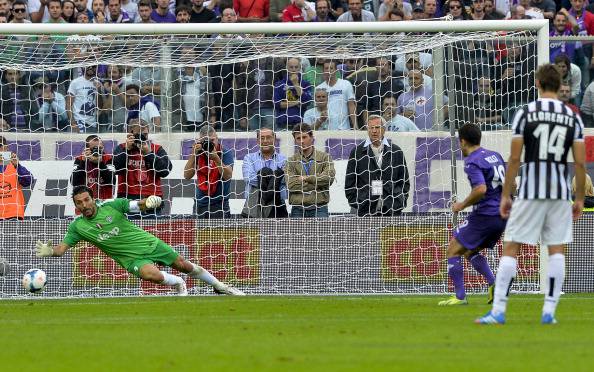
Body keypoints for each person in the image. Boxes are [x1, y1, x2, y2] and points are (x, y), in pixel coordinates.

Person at [476, 64, 586, 325]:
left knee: (511, 245)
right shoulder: (572, 117)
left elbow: (515, 158)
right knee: (556, 249)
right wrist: (579, 198)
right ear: (560, 85)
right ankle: (549, 311)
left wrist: (505, 195)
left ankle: (499, 311)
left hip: (530, 191)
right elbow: (580, 164)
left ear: (537, 83)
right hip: (559, 191)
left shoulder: (525, 113)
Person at [35, 185, 245, 296]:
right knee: (150, 275)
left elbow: (138, 205)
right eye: (79, 202)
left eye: (86, 199)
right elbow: (61, 250)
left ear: (92, 198)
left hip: (148, 243)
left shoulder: (112, 205)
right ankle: (178, 283)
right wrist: (50, 251)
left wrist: (150, 201)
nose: (84, 204)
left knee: (184, 265)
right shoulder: (77, 227)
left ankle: (219, 286)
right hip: (130, 258)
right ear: (76, 206)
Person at [437, 124, 507, 306]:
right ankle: (495, 285)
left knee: (453, 249)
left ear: (463, 141)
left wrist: (461, 205)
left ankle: (460, 297)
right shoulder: (495, 156)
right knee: (468, 250)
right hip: (502, 215)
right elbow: (511, 185)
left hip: (486, 214)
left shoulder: (472, 161)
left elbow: (481, 189)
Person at [344, 115, 409, 217]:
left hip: (391, 210)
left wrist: (399, 202)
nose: (374, 131)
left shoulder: (396, 151)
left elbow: (404, 181)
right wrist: (358, 203)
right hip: (366, 211)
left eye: (377, 127)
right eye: (371, 128)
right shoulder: (357, 152)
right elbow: (350, 183)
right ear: (367, 129)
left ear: (384, 129)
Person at [112, 119, 172, 217]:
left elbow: (165, 171)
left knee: (153, 231)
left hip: (151, 200)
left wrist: (149, 154)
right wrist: (126, 150)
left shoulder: (156, 149)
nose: (142, 137)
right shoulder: (122, 148)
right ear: (131, 133)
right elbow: (115, 169)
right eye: (139, 134)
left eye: (145, 134)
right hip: (127, 200)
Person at [285, 123, 335, 218]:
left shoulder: (324, 157)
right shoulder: (291, 161)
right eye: (298, 138)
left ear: (311, 138)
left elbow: (329, 179)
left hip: (320, 207)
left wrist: (305, 178)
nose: (302, 141)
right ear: (295, 140)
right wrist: (317, 183)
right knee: (296, 233)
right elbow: (290, 185)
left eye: (304, 137)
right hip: (297, 208)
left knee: (321, 233)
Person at [184, 125, 233, 218]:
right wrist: (194, 155)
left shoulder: (225, 152)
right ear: (200, 141)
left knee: (221, 233)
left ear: (217, 138)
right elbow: (187, 176)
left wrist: (216, 158)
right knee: (199, 233)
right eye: (206, 141)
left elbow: (228, 176)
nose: (210, 144)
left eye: (212, 140)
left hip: (220, 204)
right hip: (200, 203)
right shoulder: (198, 152)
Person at [242, 128, 288, 218]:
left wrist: (263, 178)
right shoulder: (249, 158)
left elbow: (284, 180)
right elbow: (249, 178)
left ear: (274, 139)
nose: (265, 141)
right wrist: (274, 178)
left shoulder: (284, 159)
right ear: (257, 141)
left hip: (278, 205)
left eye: (268, 137)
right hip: (254, 205)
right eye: (262, 138)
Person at [71, 134, 116, 202]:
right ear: (87, 149)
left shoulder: (108, 158)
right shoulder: (80, 159)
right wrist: (83, 162)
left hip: (105, 203)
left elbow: (112, 181)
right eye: (94, 148)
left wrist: (100, 163)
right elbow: (74, 181)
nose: (97, 151)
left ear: (103, 147)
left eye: (100, 148)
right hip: (85, 204)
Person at [0, 136, 33, 220]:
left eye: (0, 147)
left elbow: (28, 181)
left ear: (6, 148)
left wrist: (17, 165)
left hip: (13, 215)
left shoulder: (14, 166)